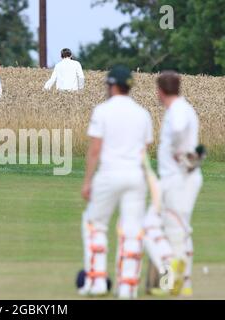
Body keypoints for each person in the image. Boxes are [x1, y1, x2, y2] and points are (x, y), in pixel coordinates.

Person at [79, 65, 153, 299]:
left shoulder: (102, 110)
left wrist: (88, 180)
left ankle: (97, 281)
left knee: (94, 224)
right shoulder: (143, 113)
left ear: (112, 85)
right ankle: (127, 287)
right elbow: (144, 149)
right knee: (132, 230)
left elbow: (95, 150)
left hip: (109, 174)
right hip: (135, 175)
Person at [155, 71, 203, 297]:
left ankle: (174, 281)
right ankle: (185, 283)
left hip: (178, 178)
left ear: (160, 90)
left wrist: (178, 151)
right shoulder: (182, 108)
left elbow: (178, 129)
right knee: (182, 229)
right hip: (181, 177)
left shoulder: (178, 110)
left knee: (173, 230)